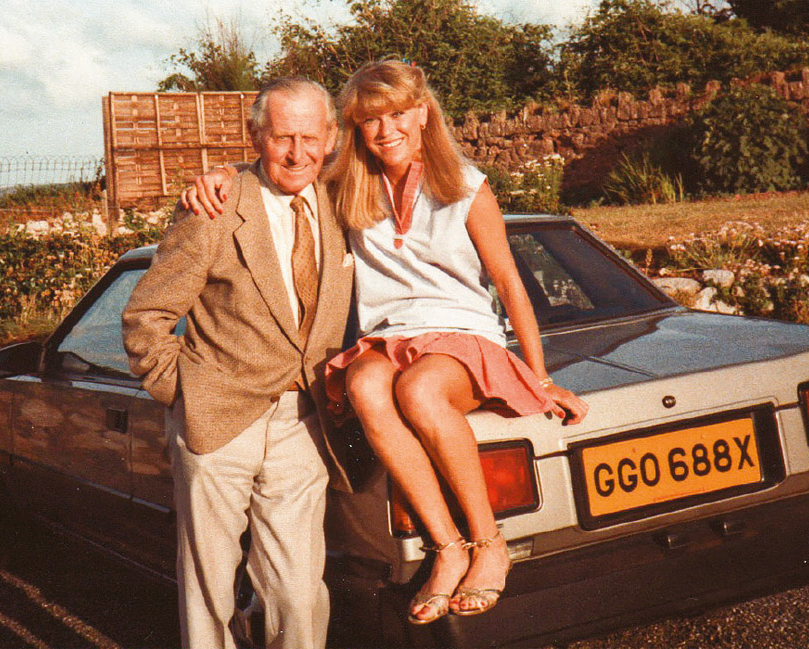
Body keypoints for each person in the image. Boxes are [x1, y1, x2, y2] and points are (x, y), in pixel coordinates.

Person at [182, 60, 588, 626]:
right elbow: (283, 166)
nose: (386, 129)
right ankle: (447, 549)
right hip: (387, 339)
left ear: (423, 114)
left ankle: (488, 543)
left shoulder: (467, 187)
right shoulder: (349, 184)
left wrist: (539, 376)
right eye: (371, 119)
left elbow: (512, 286)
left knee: (420, 392)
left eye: (398, 113)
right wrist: (222, 172)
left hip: (460, 336)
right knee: (366, 384)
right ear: (355, 127)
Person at [123, 77, 352, 649]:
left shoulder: (345, 203)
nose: (297, 153)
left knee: (298, 598)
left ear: (330, 138)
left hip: (304, 423)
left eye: (309, 137)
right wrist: (186, 390)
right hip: (216, 423)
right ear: (256, 136)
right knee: (209, 595)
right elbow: (145, 317)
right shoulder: (216, 207)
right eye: (281, 138)